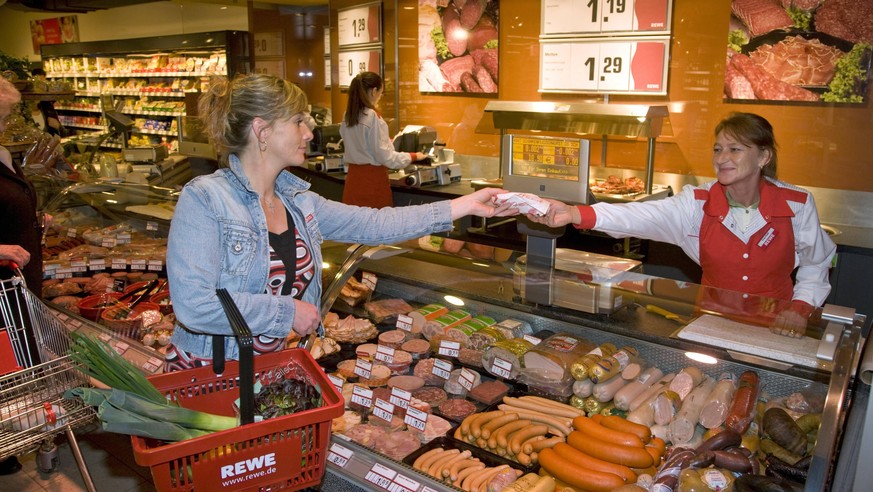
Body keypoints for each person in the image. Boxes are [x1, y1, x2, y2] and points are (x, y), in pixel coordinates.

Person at [163, 74, 515, 370]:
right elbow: (195, 305)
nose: (309, 133)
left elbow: (374, 225)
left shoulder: (297, 201)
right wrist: (286, 312)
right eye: (298, 121)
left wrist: (463, 206)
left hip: (278, 368)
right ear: (262, 130)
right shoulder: (206, 199)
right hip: (214, 374)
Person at [526, 112, 836, 338]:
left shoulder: (796, 204)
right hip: (713, 322)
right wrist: (574, 213)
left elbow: (816, 263)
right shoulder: (696, 203)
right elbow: (639, 216)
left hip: (777, 326)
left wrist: (799, 308)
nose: (722, 158)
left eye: (735, 149)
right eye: (718, 149)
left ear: (763, 157)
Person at [340, 71, 427, 208]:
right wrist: (414, 156)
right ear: (374, 91)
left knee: (354, 225)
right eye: (380, 93)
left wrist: (386, 141)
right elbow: (387, 158)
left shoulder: (348, 115)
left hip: (353, 182)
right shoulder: (372, 117)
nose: (380, 97)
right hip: (372, 184)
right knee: (378, 225)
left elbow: (362, 144)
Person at [29, 68, 64, 137]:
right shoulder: (24, 115)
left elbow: (63, 134)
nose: (41, 90)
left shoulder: (47, 108)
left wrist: (59, 127)